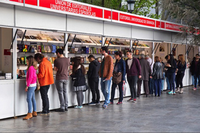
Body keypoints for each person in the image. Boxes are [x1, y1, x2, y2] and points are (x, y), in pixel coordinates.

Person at [23, 56, 38, 120]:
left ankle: (29, 113)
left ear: (30, 61)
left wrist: (27, 86)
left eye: (27, 61)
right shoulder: (33, 68)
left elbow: (30, 78)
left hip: (31, 85)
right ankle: (34, 111)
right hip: (33, 85)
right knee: (32, 98)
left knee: (28, 99)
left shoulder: (30, 68)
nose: (26, 62)